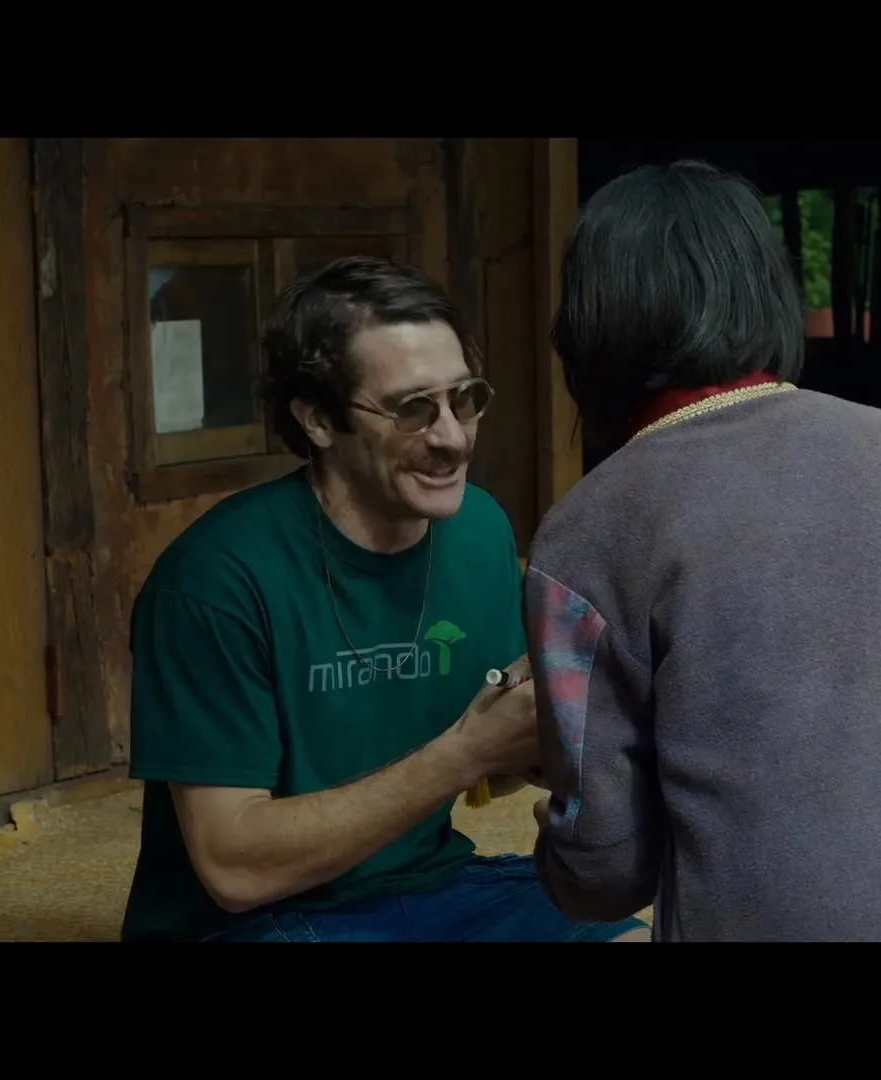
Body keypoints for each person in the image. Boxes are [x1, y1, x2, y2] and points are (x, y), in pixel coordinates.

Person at [523, 160, 881, 942]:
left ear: (589, 325)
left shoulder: (587, 532)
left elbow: (604, 870)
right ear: (767, 296)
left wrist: (560, 843)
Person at [118, 256, 649, 943]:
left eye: (464, 399)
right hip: (250, 922)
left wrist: (557, 729)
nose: (452, 437)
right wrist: (465, 754)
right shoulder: (212, 582)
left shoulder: (479, 528)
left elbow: (496, 763)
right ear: (317, 419)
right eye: (412, 409)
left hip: (430, 886)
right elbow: (233, 868)